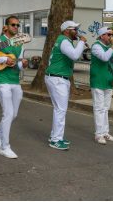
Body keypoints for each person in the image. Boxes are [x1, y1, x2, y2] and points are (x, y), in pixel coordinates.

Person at [0, 16, 28, 159]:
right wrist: (4, 59)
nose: (16, 27)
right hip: (2, 80)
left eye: (18, 25)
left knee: (14, 114)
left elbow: (17, 64)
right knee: (8, 113)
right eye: (13, 25)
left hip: (15, 80)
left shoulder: (20, 43)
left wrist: (22, 64)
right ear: (6, 26)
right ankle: (4, 147)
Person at [45, 20, 86, 150]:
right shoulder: (64, 40)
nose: (77, 32)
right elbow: (74, 55)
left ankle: (54, 136)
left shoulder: (62, 40)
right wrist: (82, 41)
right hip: (58, 79)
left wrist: (79, 42)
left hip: (56, 78)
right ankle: (56, 140)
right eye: (75, 29)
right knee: (61, 110)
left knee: (58, 109)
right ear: (67, 30)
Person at [90, 27, 113, 145]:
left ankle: (105, 132)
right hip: (98, 82)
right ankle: (98, 134)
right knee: (99, 108)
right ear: (102, 36)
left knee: (105, 108)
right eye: (109, 35)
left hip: (108, 81)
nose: (111, 37)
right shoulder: (96, 46)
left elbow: (111, 62)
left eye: (112, 35)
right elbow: (105, 58)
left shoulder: (109, 48)